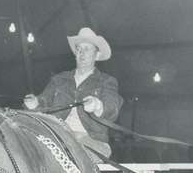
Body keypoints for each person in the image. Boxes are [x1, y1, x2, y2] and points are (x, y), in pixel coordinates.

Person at [22, 28, 123, 159]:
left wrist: (98, 105)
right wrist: (34, 104)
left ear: (97, 55)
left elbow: (112, 108)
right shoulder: (59, 80)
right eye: (79, 49)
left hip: (92, 142)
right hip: (57, 137)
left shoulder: (107, 81)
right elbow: (43, 102)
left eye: (87, 49)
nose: (82, 53)